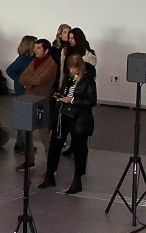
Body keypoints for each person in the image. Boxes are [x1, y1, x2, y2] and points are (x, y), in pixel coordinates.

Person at [40, 56, 96, 195]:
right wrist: (59, 96)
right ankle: (50, 174)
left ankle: (77, 180)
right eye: (70, 68)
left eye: (74, 69)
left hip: (79, 119)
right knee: (55, 145)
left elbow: (91, 101)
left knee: (79, 149)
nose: (72, 71)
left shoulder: (88, 81)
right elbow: (64, 91)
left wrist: (72, 100)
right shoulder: (68, 78)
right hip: (63, 115)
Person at [17, 39, 58, 170]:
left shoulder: (51, 65)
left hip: (41, 103)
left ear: (46, 50)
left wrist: (30, 80)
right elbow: (21, 77)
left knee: (44, 135)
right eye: (35, 47)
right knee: (25, 132)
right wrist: (31, 80)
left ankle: (52, 164)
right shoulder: (34, 61)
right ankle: (29, 160)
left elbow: (40, 80)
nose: (35, 50)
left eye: (39, 48)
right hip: (27, 101)